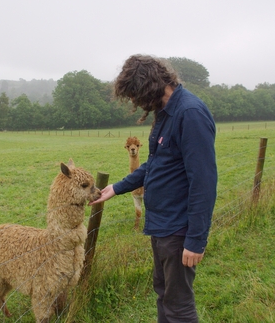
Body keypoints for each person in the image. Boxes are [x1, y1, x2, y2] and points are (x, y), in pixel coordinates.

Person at [90, 54, 217, 322]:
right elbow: (155, 164)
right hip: (160, 225)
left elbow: (204, 183)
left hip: (178, 229)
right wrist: (118, 187)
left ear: (149, 86)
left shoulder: (189, 114)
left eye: (136, 95)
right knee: (163, 293)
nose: (135, 103)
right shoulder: (164, 114)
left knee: (178, 306)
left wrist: (195, 240)